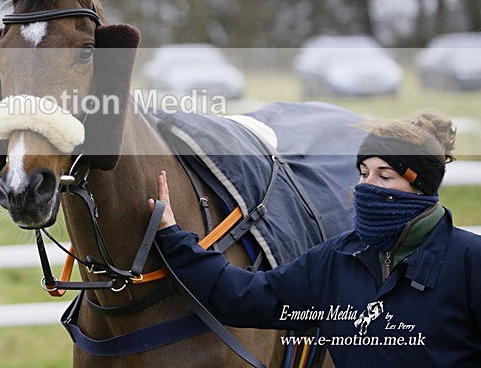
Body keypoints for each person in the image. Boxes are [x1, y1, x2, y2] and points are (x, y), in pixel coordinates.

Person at [149, 111, 481, 367]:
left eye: (385, 175)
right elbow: (244, 298)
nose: (367, 187)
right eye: (363, 173)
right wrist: (174, 238)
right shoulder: (337, 259)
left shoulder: (470, 261)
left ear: (420, 186)